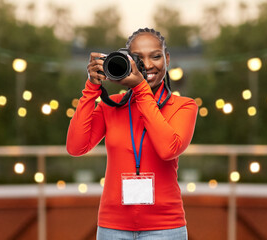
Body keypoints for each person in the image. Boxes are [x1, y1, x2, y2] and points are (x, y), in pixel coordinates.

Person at [66, 28, 198, 240]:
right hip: (113, 227)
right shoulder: (113, 106)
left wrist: (140, 88)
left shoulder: (183, 106)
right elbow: (75, 147)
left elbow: (168, 149)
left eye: (155, 56)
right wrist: (92, 87)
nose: (147, 65)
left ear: (167, 58)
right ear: (128, 61)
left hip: (165, 228)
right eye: (138, 59)